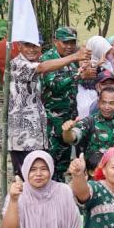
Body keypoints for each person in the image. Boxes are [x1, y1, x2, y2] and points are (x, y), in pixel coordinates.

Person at [8, 38, 88, 178]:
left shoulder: (32, 62)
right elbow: (42, 69)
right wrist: (75, 57)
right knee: (25, 175)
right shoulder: (18, 64)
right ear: (19, 46)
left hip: (37, 130)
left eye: (35, 46)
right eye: (28, 45)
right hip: (23, 133)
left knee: (40, 173)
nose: (32, 49)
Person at [39, 26, 84, 178]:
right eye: (65, 43)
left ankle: (59, 188)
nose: (69, 46)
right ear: (55, 41)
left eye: (72, 43)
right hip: (52, 120)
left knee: (64, 161)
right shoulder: (48, 59)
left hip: (68, 118)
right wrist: (77, 75)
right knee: (49, 160)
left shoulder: (72, 60)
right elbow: (55, 86)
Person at [62, 87, 114, 172]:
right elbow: (71, 137)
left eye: (111, 103)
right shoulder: (89, 121)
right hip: (94, 174)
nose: (107, 107)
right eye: (103, 102)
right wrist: (67, 131)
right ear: (98, 102)